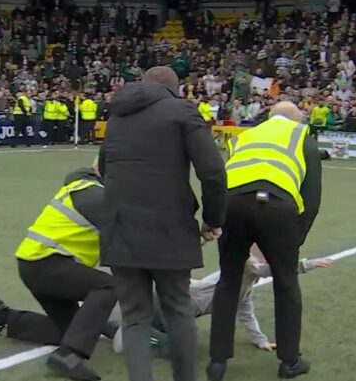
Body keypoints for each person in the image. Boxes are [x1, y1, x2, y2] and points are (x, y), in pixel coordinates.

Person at [99, 66, 227, 381]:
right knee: (178, 309)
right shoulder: (184, 111)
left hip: (120, 227)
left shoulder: (117, 115)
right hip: (169, 226)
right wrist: (213, 220)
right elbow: (212, 171)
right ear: (176, 89)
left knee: (134, 317)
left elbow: (103, 167)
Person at [207, 101, 322, 381]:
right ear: (297, 120)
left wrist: (216, 217)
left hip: (232, 204)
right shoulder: (302, 136)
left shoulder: (244, 137)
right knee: (286, 283)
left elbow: (223, 177)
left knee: (228, 281)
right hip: (277, 206)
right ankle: (290, 361)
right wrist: (297, 238)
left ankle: (217, 362)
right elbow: (312, 196)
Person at [0, 163, 117, 381]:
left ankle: (4, 316)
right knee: (108, 286)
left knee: (71, 332)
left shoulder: (84, 188)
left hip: (36, 264)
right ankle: (67, 356)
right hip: (47, 264)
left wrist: (109, 329)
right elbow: (131, 239)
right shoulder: (93, 194)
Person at [111, 244, 333, 355]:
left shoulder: (244, 292)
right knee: (180, 347)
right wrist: (307, 265)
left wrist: (261, 340)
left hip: (172, 309)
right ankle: (134, 332)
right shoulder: (241, 269)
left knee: (178, 334)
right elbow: (267, 270)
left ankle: (112, 327)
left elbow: (247, 315)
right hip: (168, 303)